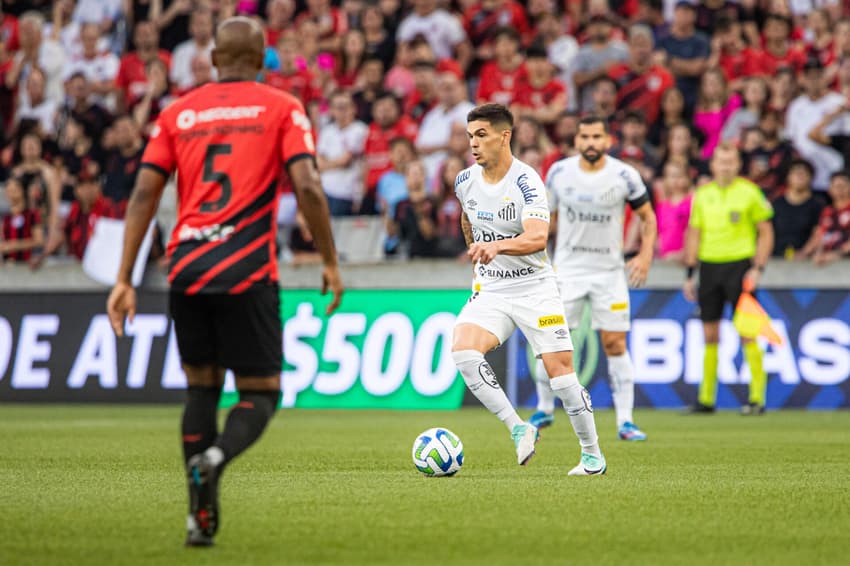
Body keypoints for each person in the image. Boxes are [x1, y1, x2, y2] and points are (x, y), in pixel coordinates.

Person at [106, 17, 343, 548]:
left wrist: (123, 277)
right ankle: (215, 459)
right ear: (263, 60)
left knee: (201, 387)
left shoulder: (176, 112)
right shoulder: (282, 108)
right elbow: (306, 182)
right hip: (247, 269)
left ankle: (199, 519)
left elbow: (143, 194)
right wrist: (329, 260)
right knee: (260, 393)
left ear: (213, 59)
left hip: (186, 267)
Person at [453, 103, 606, 475]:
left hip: (535, 288)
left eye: (481, 135)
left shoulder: (526, 181)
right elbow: (467, 218)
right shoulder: (464, 181)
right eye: (470, 135)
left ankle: (592, 456)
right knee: (463, 353)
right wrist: (477, 249)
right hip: (491, 290)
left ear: (504, 136)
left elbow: (538, 237)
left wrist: (496, 246)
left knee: (562, 376)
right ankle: (519, 427)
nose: (473, 143)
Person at [533, 115, 657, 442]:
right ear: (576, 141)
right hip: (567, 271)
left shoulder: (624, 175)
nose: (590, 143)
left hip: (609, 273)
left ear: (607, 140)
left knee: (615, 343)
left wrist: (645, 256)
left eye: (596, 137)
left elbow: (648, 218)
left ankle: (626, 422)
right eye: (584, 137)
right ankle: (544, 409)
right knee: (552, 340)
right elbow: (543, 220)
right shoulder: (559, 173)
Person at [683, 142, 774, 415]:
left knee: (748, 331)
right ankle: (706, 399)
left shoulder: (749, 193)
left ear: (737, 164)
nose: (725, 166)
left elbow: (766, 232)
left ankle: (757, 398)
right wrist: (690, 273)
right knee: (709, 333)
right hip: (709, 268)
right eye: (720, 162)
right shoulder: (702, 194)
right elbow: (694, 233)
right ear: (713, 165)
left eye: (730, 161)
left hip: (739, 266)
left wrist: (757, 268)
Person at [771, 159, 824, 260]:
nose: (800, 177)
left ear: (811, 178)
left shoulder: (817, 205)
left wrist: (804, 253)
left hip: (805, 260)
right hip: (776, 257)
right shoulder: (776, 204)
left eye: (804, 174)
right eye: (796, 174)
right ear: (788, 177)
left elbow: (819, 232)